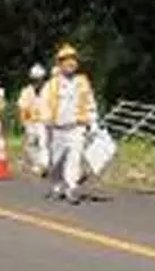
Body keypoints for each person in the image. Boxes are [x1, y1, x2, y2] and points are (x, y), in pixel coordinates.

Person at [39, 44, 99, 203]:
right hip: (57, 128)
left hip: (76, 127)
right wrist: (46, 121)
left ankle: (72, 188)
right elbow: (44, 104)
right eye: (66, 60)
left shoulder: (82, 82)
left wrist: (93, 122)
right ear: (60, 63)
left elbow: (90, 103)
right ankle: (57, 186)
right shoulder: (51, 85)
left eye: (73, 59)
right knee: (57, 161)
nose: (70, 63)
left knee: (74, 159)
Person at [17, 64, 49, 175]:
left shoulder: (49, 89)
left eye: (39, 78)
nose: (37, 81)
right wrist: (23, 122)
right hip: (30, 121)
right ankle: (37, 164)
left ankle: (44, 165)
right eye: (35, 79)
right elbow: (22, 107)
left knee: (44, 143)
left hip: (45, 121)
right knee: (30, 145)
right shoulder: (26, 91)